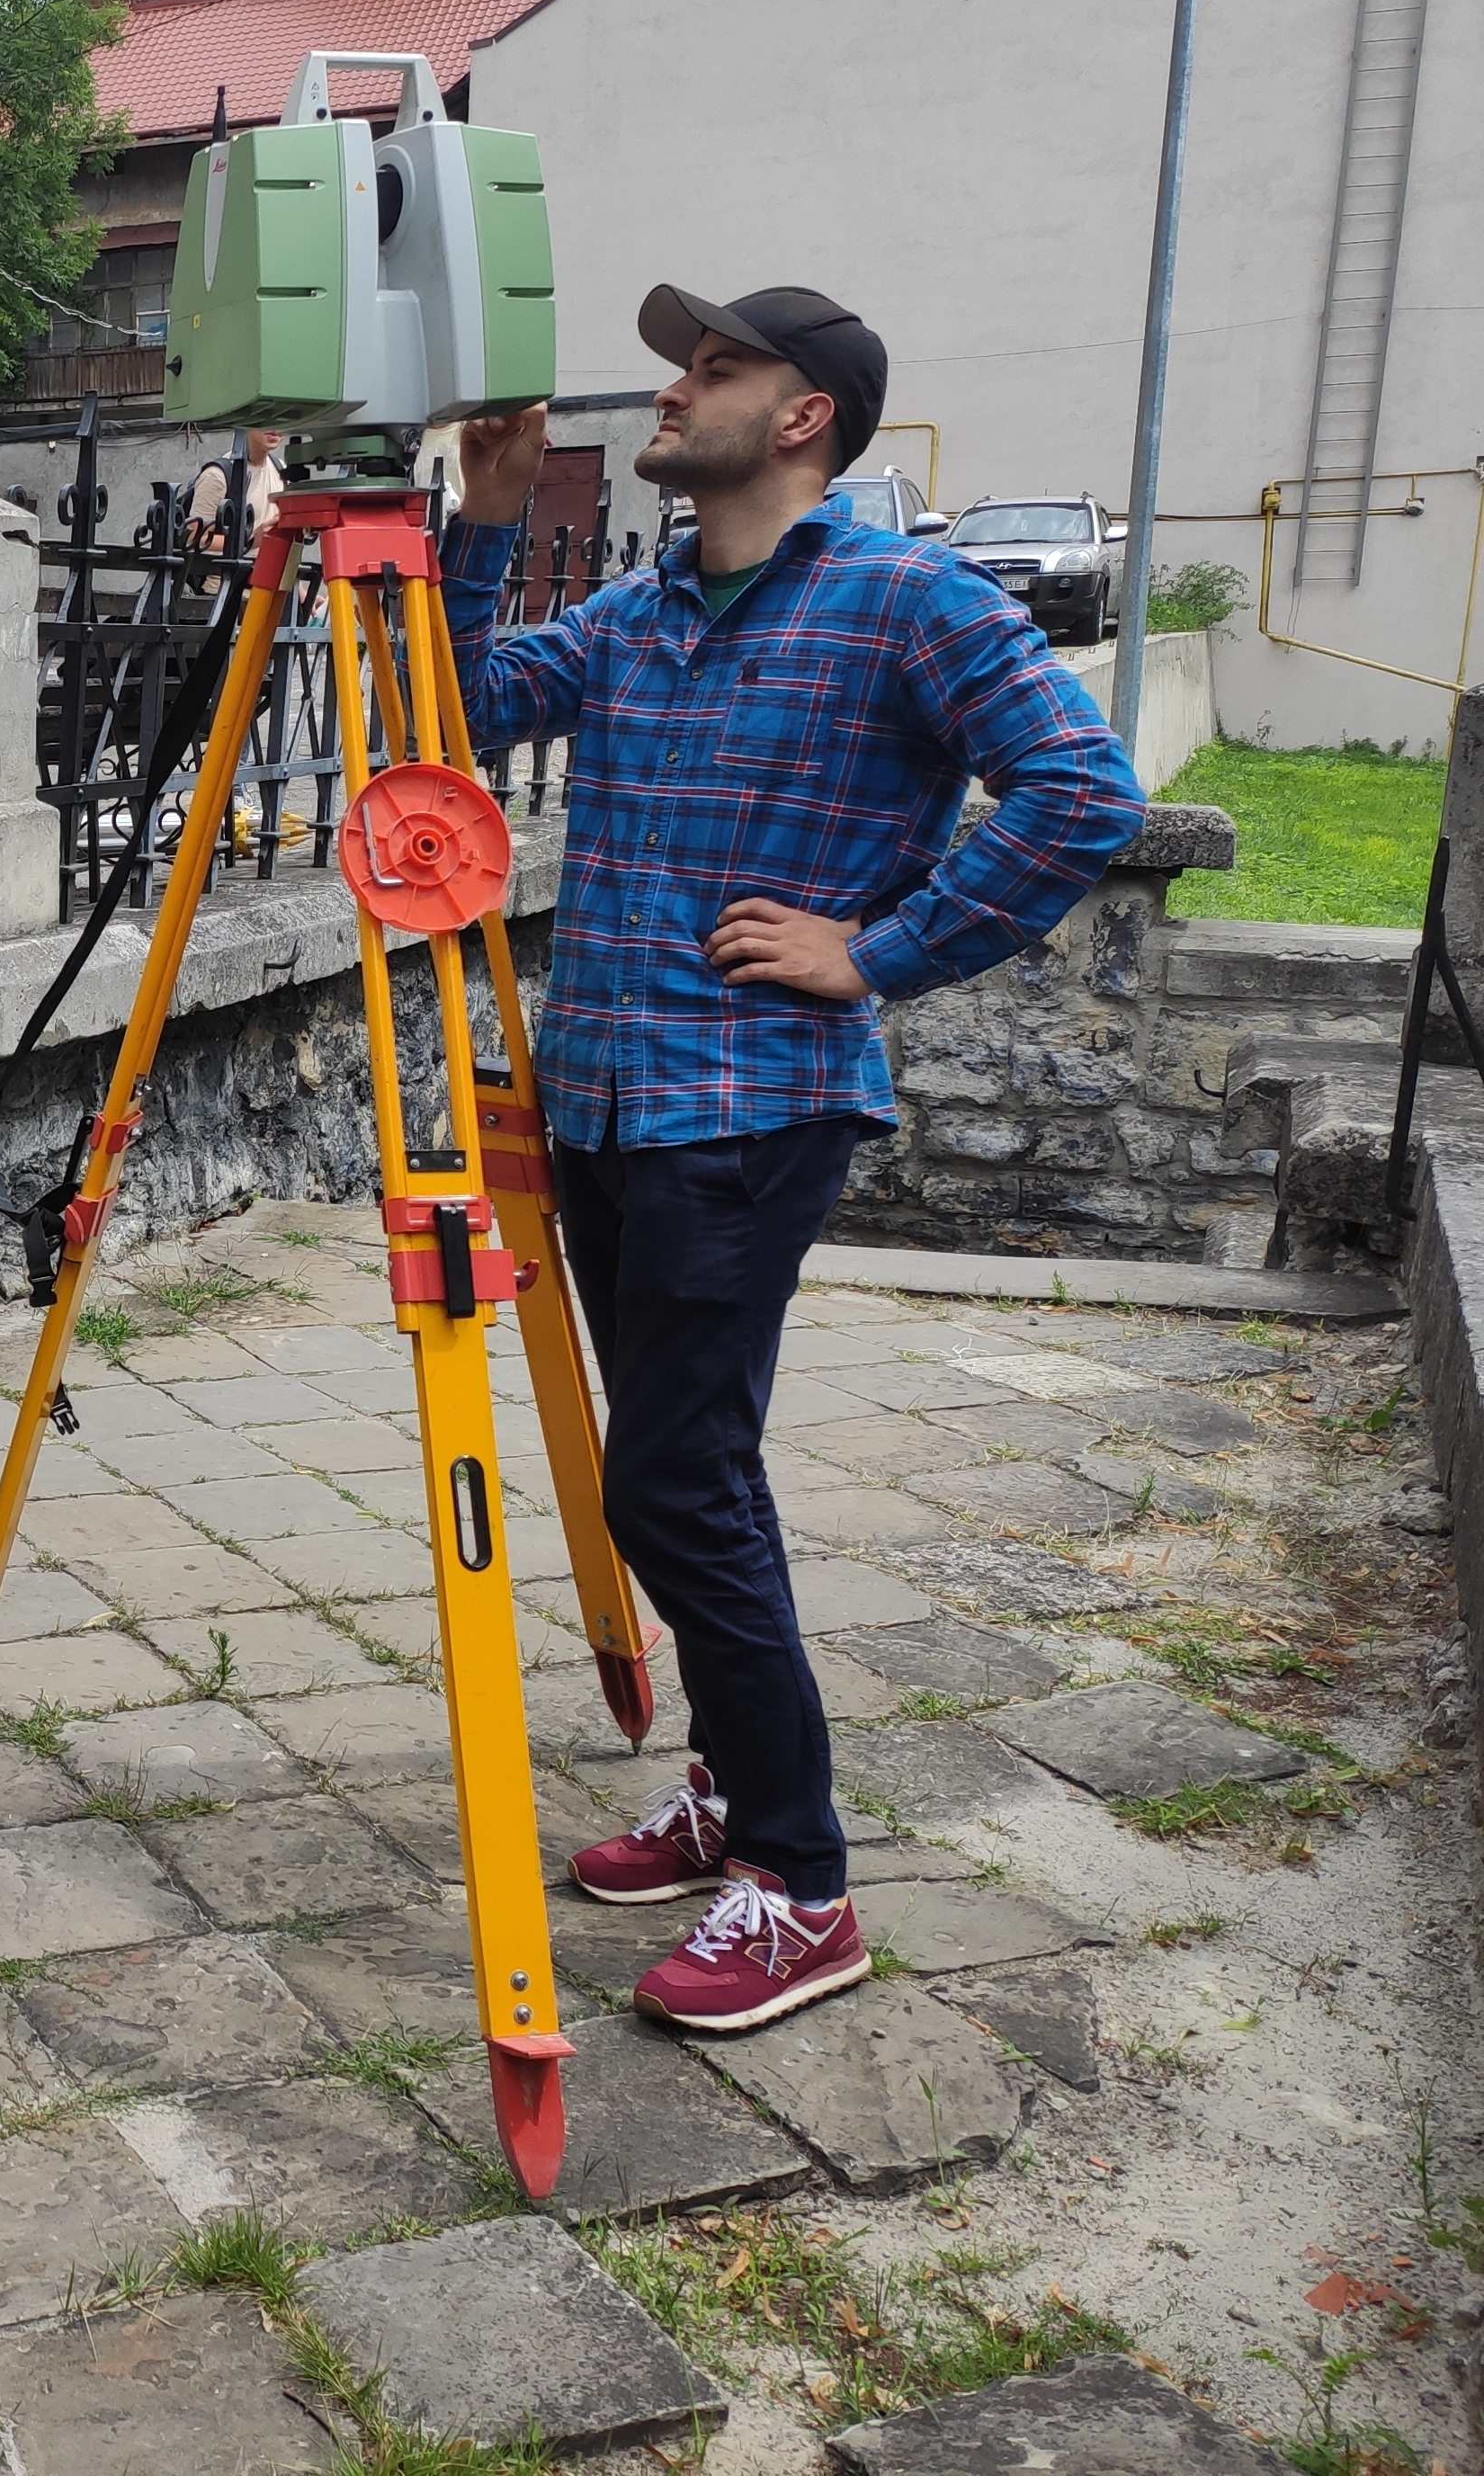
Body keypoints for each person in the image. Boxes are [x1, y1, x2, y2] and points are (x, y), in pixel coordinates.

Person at [442, 284, 1143, 2033]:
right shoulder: (643, 605)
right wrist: (478, 524)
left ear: (802, 415)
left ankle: (799, 1883)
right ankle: (730, 1795)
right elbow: (452, 717)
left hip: (745, 1114)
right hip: (603, 1106)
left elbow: (1080, 795)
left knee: (665, 1487)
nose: (672, 391)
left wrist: (873, 952)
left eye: (713, 368)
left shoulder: (901, 600)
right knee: (694, 1469)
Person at [180, 427, 286, 555]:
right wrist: (250, 542)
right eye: (266, 415)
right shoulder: (217, 475)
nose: (275, 426)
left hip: (269, 571)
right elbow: (195, 537)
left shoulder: (280, 468)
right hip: (225, 573)